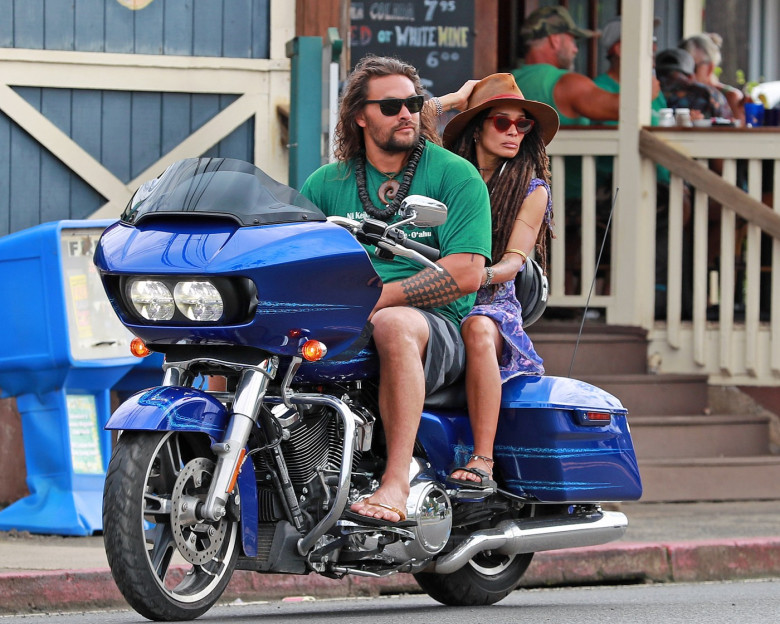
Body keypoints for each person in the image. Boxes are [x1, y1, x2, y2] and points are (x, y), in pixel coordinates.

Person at [300, 55, 492, 523]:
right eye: (391, 106)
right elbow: (298, 255)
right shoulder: (326, 183)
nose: (406, 113)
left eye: (413, 103)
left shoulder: (453, 175)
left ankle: (396, 482)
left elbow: (466, 273)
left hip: (437, 326)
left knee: (392, 323)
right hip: (346, 318)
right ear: (359, 116)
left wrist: (378, 298)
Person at [440, 74, 558, 489]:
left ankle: (482, 459)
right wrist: (455, 99)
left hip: (489, 297)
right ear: (477, 127)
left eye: (522, 124)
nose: (513, 132)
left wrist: (473, 277)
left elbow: (513, 264)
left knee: (478, 329)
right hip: (432, 290)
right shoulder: (444, 170)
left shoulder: (532, 186)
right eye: (501, 122)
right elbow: (404, 126)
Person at [511, 6, 619, 127]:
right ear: (555, 40)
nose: (575, 49)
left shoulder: (509, 81)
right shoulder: (566, 84)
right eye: (572, 41)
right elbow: (623, 108)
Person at [679, 33, 742, 122]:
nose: (688, 74)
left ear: (710, 67)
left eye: (694, 67)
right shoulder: (675, 94)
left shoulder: (731, 96)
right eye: (683, 69)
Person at [655, 48, 732, 120]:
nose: (663, 81)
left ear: (690, 77)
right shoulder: (653, 96)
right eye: (659, 76)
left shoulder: (707, 95)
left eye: (671, 77)